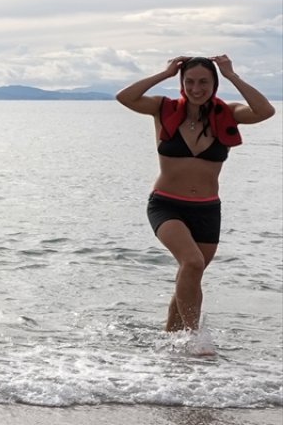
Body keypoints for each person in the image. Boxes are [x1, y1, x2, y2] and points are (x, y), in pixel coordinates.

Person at [115, 54, 274, 335]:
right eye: (189, 82)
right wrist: (164, 74)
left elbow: (265, 111)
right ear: (181, 83)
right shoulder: (162, 108)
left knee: (189, 275)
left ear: (214, 83)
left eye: (204, 81)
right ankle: (194, 340)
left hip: (207, 209)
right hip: (166, 204)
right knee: (192, 262)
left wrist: (232, 76)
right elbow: (124, 97)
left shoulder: (228, 113)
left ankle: (171, 342)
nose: (196, 88)